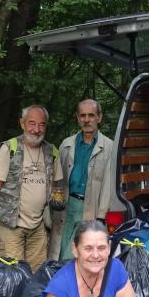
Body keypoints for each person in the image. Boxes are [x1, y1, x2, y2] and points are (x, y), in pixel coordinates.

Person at [0, 104, 65, 271]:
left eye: (41, 124)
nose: (36, 129)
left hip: (39, 226)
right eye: (32, 123)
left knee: (36, 274)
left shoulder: (52, 151)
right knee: (11, 274)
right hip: (10, 225)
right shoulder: (10, 148)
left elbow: (57, 184)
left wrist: (57, 199)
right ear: (22, 123)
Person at [51, 99, 116, 261]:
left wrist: (101, 215)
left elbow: (108, 184)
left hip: (91, 207)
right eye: (83, 116)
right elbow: (58, 179)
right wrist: (55, 201)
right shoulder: (67, 144)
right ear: (78, 118)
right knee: (61, 249)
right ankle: (64, 284)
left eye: (91, 115)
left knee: (79, 254)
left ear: (99, 118)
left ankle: (78, 285)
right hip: (67, 205)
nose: (87, 120)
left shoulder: (109, 146)